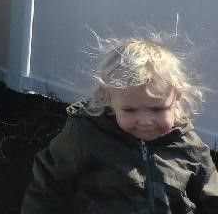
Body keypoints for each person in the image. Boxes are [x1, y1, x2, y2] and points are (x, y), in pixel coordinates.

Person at [23, 37, 218, 213]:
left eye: (157, 109)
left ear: (176, 99)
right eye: (130, 110)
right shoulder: (87, 134)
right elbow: (48, 185)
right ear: (109, 99)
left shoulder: (187, 144)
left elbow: (211, 194)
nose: (145, 121)